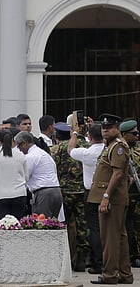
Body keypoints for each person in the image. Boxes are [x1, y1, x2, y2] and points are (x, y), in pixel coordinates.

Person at [88, 114, 134, 285]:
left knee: (110, 238)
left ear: (117, 128)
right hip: (113, 197)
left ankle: (109, 274)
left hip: (112, 198)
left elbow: (118, 173)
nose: (106, 130)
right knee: (119, 237)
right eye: (104, 128)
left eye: (110, 127)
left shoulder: (118, 146)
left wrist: (106, 196)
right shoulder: (111, 145)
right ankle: (124, 273)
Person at [68, 124, 104, 274]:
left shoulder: (87, 153)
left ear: (89, 137)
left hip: (91, 192)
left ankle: (98, 263)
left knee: (94, 228)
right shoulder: (108, 150)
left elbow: (70, 149)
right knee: (111, 228)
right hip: (108, 191)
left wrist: (75, 133)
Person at [51, 121, 87, 272]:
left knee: (63, 224)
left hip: (65, 191)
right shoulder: (84, 146)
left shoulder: (56, 149)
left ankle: (65, 259)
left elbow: (53, 167)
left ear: (57, 135)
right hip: (82, 190)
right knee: (82, 226)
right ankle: (81, 260)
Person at [15, 131, 62, 218]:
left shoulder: (30, 157)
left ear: (24, 144)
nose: (19, 149)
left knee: (42, 224)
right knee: (53, 224)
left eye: (19, 146)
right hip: (56, 190)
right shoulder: (44, 154)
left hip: (44, 193)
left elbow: (25, 177)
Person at [0, 129, 28, 220]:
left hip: (0, 195)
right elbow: (26, 177)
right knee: (18, 225)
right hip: (19, 194)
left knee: (3, 225)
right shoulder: (20, 155)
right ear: (12, 140)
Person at [119, 120, 140, 268]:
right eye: (134, 134)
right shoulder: (120, 149)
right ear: (125, 135)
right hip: (125, 194)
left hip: (136, 195)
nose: (137, 136)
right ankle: (130, 255)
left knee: (134, 225)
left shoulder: (137, 150)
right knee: (125, 226)